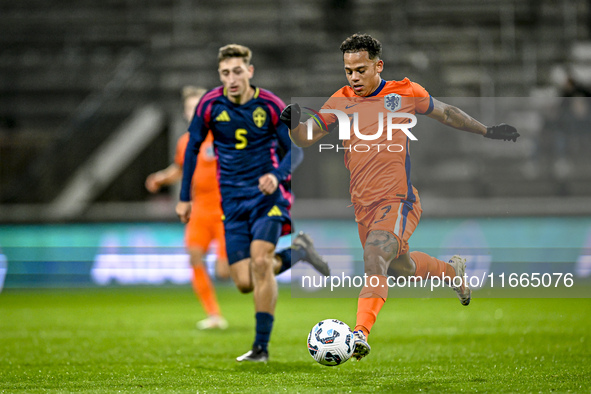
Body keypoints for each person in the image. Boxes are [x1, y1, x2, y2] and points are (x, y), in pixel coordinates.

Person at [281, 33, 519, 360]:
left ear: (379, 65)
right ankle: (453, 273)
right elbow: (308, 138)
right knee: (397, 267)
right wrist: (294, 126)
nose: (354, 77)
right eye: (348, 70)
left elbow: (447, 113)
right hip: (363, 206)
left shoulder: (405, 92)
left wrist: (487, 131)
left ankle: (359, 334)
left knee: (374, 257)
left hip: (398, 200)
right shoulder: (340, 100)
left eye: (361, 69)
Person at [175, 44, 330, 362]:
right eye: (225, 73)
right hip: (231, 202)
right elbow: (191, 148)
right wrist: (184, 198)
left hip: (268, 198)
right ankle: (299, 251)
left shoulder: (271, 105)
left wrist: (275, 174)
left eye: (237, 71)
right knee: (244, 282)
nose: (232, 79)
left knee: (261, 263)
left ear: (250, 71)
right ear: (220, 75)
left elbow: (295, 151)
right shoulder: (210, 104)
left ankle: (261, 348)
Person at [146, 86, 230, 330]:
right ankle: (214, 315)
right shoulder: (185, 142)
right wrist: (161, 178)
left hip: (225, 210)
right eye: (190, 108)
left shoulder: (225, 137)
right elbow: (180, 169)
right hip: (199, 209)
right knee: (194, 256)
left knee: (224, 272)